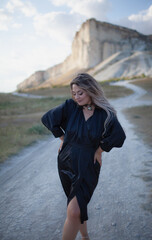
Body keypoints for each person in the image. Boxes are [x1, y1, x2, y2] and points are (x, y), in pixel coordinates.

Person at [41, 73, 126, 240]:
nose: (76, 97)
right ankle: (85, 237)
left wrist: (99, 150)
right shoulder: (70, 107)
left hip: (88, 164)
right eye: (74, 93)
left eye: (80, 93)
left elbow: (119, 136)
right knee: (77, 207)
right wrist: (64, 139)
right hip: (66, 162)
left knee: (74, 209)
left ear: (90, 91)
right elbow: (48, 118)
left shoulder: (105, 114)